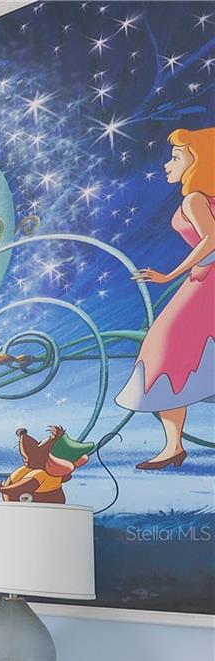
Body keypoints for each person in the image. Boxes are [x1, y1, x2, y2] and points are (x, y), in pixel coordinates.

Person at [119, 127, 215, 470]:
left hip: (205, 284)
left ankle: (174, 445)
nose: (166, 164)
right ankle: (173, 445)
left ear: (198, 161)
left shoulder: (195, 199)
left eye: (176, 157)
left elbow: (211, 240)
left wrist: (168, 275)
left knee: (165, 350)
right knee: (178, 354)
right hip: (202, 281)